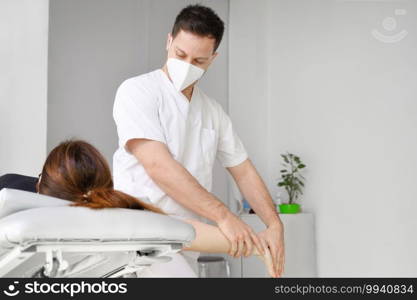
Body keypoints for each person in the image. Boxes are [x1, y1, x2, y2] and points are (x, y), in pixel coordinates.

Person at [112, 4, 285, 277]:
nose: (187, 66)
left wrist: (274, 225)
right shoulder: (138, 91)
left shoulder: (212, 112)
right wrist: (225, 217)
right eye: (180, 54)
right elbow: (159, 167)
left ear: (212, 59)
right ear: (169, 41)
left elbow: (244, 170)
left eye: (198, 61)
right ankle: (258, 248)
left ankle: (261, 246)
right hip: (142, 238)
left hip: (189, 238)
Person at [0, 139, 277, 277]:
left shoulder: (12, 192)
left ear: (40, 184)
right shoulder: (124, 213)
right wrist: (258, 246)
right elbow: (183, 231)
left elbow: (182, 232)